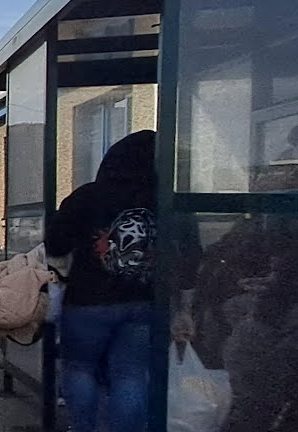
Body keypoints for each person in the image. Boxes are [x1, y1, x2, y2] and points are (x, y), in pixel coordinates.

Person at [44, 130, 196, 432]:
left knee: (80, 368)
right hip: (143, 301)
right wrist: (185, 308)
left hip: (87, 302)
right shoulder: (167, 200)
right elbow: (191, 255)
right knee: (132, 374)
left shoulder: (87, 196)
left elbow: (56, 245)